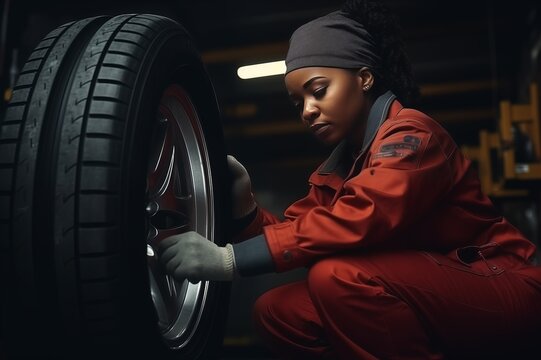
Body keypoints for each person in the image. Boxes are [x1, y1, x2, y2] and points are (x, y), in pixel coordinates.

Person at [158, 0, 541, 358]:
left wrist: (229, 260)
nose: (308, 110)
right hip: (434, 294)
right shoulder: (338, 168)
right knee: (277, 310)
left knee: (337, 277)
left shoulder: (412, 135)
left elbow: (363, 215)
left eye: (319, 91)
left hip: (502, 288)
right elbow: (300, 233)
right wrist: (245, 207)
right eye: (298, 103)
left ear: (365, 78)